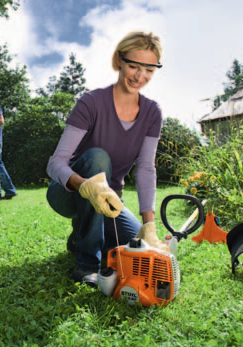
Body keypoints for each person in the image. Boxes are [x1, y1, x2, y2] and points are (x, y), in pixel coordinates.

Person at [46, 32, 170, 287]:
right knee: (97, 157)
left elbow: (146, 168)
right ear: (119, 61)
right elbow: (55, 162)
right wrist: (84, 185)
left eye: (149, 69)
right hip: (69, 191)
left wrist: (150, 224)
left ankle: (81, 234)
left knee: (136, 245)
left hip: (110, 199)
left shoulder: (152, 113)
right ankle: (86, 265)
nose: (140, 76)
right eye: (134, 66)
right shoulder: (92, 102)